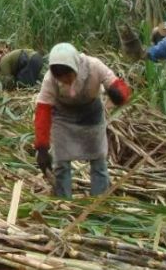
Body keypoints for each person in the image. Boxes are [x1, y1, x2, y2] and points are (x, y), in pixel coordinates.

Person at [34, 43, 130, 198]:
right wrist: (42, 148)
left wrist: (119, 94)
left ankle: (99, 202)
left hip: (91, 114)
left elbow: (116, 84)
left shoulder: (94, 67)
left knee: (98, 160)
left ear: (75, 66)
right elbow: (43, 111)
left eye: (67, 74)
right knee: (61, 163)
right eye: (60, 76)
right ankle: (63, 202)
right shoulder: (50, 80)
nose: (64, 79)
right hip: (63, 118)